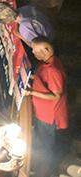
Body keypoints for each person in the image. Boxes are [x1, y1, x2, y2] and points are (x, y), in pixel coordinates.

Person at [28, 38, 67, 177]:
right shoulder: (47, 63)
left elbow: (56, 95)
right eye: (32, 50)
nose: (34, 53)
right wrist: (31, 77)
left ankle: (43, 173)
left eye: (36, 51)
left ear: (47, 50)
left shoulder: (53, 70)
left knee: (45, 147)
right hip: (42, 113)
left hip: (48, 116)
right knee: (41, 142)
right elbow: (43, 79)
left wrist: (31, 92)